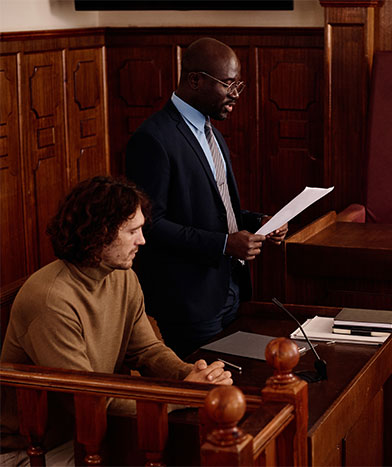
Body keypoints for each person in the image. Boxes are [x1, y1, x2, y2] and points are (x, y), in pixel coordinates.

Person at [0, 176, 232, 464]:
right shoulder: (50, 300)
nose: (142, 240)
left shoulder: (123, 276)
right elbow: (88, 400)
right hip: (35, 448)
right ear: (99, 233)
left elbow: (147, 350)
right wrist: (183, 394)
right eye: (132, 231)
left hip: (93, 430)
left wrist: (191, 374)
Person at [125, 37, 287, 357]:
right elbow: (149, 225)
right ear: (195, 80)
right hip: (190, 301)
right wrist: (224, 244)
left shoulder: (210, 131)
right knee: (206, 393)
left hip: (231, 286)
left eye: (237, 84)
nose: (236, 95)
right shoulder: (152, 139)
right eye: (228, 84)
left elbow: (218, 209)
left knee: (235, 383)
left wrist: (259, 222)